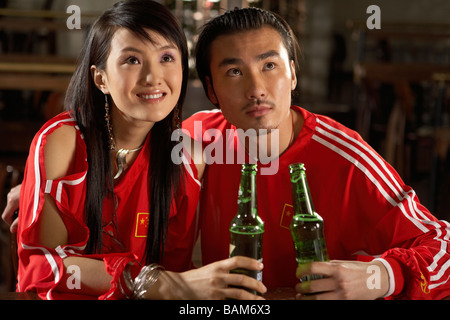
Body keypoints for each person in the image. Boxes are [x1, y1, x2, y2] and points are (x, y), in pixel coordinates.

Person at [181, 7, 450, 299]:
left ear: (293, 74)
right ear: (211, 90)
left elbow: (443, 248)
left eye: (269, 66)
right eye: (234, 72)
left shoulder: (347, 158)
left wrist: (380, 276)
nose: (256, 89)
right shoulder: (200, 138)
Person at [3, 0, 265, 300]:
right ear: (101, 78)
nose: (153, 77)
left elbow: (173, 272)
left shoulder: (189, 157)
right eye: (132, 60)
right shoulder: (61, 143)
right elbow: (42, 269)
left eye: (167, 57)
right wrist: (150, 282)